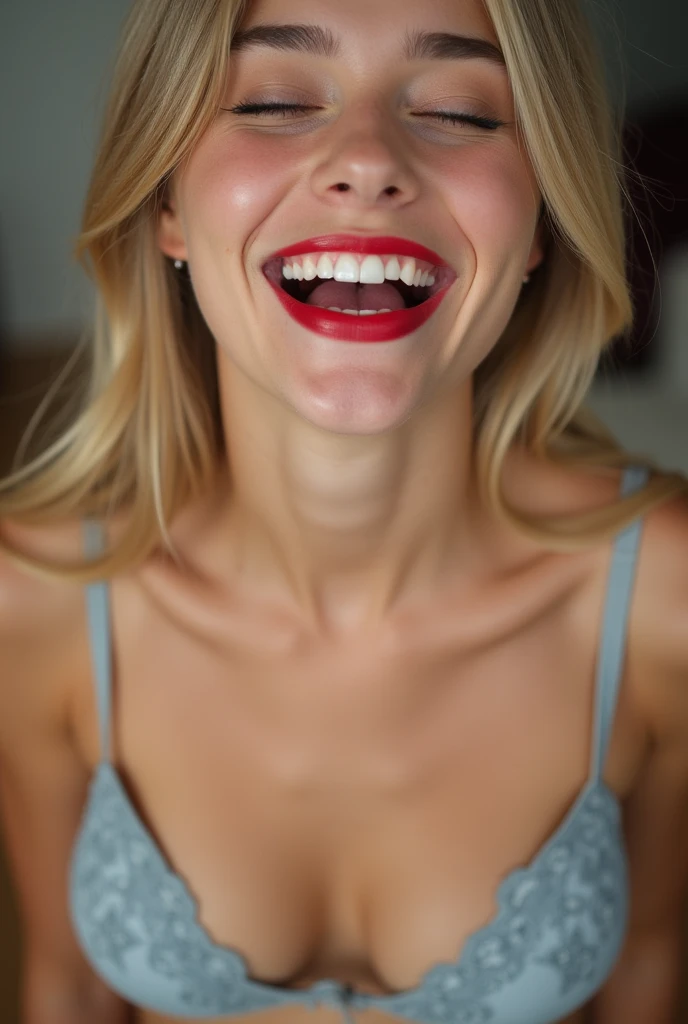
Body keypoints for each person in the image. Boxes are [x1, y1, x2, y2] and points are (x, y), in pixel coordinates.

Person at [0, 0, 687, 1022]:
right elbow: (64, 984)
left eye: (459, 110)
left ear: (539, 218)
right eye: (274, 99)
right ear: (168, 207)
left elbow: (648, 971)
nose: (367, 161)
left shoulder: (662, 603)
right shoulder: (36, 595)